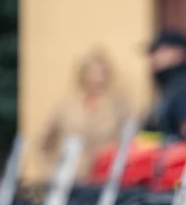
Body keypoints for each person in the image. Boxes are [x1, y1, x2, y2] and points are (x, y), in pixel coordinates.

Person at [40, 48, 131, 181]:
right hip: (70, 178)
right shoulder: (67, 105)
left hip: (106, 179)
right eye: (93, 72)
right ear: (83, 74)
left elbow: (128, 143)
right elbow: (43, 142)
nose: (98, 78)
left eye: (102, 72)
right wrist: (50, 171)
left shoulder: (118, 106)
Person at [143, 30, 186, 141]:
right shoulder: (169, 88)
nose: (155, 57)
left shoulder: (185, 90)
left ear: (179, 53)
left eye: (162, 51)